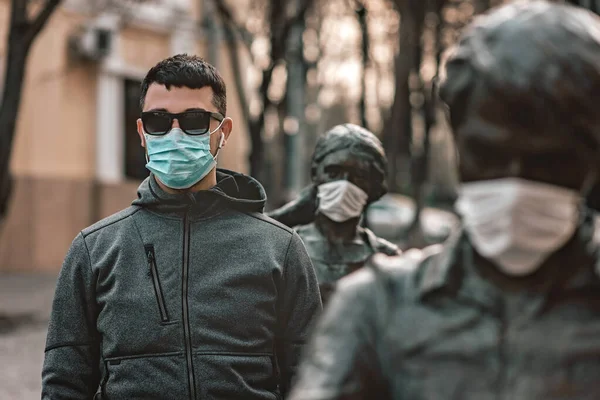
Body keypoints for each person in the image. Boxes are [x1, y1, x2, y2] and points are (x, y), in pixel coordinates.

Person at [289, 2, 600, 399]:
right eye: (488, 155)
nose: (514, 182)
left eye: (548, 162)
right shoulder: (376, 311)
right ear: (459, 144)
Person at [41, 54, 322, 400]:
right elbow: (64, 385)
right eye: (158, 121)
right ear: (143, 132)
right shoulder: (94, 249)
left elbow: (311, 380)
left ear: (223, 132)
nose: (174, 133)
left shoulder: (280, 248)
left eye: (194, 120)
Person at [268, 124, 399, 304]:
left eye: (359, 176)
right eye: (333, 172)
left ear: (374, 188)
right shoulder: (284, 249)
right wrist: (285, 216)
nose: (344, 185)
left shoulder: (387, 258)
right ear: (316, 175)